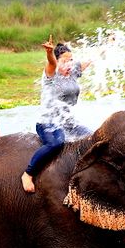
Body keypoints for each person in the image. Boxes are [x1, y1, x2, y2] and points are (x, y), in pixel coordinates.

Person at [21, 36, 91, 193]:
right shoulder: (51, 74)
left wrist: (109, 44)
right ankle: (28, 174)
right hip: (49, 122)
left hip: (68, 122)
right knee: (56, 143)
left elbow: (91, 59)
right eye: (65, 61)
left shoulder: (73, 71)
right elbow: (52, 62)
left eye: (71, 60)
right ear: (57, 61)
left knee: (92, 137)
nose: (69, 64)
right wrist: (49, 53)